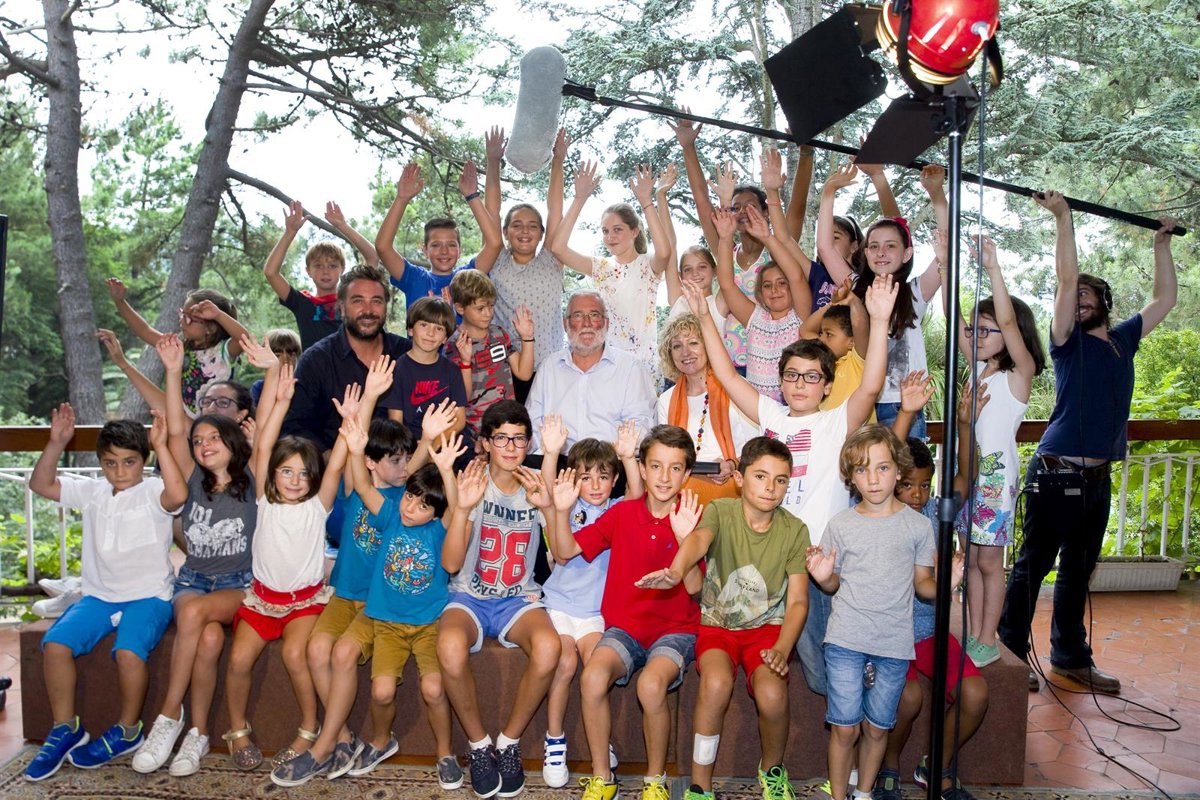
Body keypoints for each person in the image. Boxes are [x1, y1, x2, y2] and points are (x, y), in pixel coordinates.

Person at [998, 193, 1178, 694]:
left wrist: (1161, 246)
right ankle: (1009, 657)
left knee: (1078, 573)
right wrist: (1064, 218)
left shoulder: (1124, 340)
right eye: (1073, 295)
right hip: (1057, 473)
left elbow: (1164, 299)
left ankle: (1071, 658)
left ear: (1105, 302)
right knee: (1033, 568)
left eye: (1087, 295)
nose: (1077, 300)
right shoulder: (1066, 343)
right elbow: (1064, 280)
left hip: (1098, 478)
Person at [683, 274, 894, 694]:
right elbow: (727, 375)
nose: (800, 384)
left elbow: (871, 386)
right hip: (768, 561)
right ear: (780, 382)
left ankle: (857, 694)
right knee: (791, 664)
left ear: (827, 386)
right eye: (792, 375)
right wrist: (705, 316)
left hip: (816, 565)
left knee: (823, 671)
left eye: (812, 377)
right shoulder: (773, 416)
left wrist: (880, 320)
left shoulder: (836, 422)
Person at [271, 421, 464, 787]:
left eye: (422, 504)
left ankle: (441, 752)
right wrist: (356, 448)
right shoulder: (392, 511)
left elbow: (453, 510)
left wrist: (443, 467)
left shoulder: (434, 523)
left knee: (429, 687)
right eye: (410, 497)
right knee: (340, 661)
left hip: (421, 620)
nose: (411, 506)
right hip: (380, 612)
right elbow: (361, 484)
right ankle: (341, 740)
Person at [129, 335, 275, 776]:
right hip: (193, 581)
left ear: (233, 439)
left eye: (214, 437)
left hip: (239, 585)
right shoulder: (192, 478)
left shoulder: (252, 475)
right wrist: (173, 370)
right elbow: (176, 429)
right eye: (199, 440)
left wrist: (271, 370)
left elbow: (269, 425)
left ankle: (167, 716)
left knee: (194, 617)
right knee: (208, 639)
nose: (204, 444)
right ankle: (197, 734)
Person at [636, 436, 811, 800]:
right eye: (761, 476)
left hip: (767, 632)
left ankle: (772, 771)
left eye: (780, 480)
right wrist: (676, 570)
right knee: (715, 684)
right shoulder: (721, 511)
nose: (770, 487)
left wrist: (782, 648)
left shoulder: (795, 530)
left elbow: (797, 601)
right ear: (740, 478)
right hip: (718, 626)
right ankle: (701, 784)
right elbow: (698, 540)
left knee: (772, 694)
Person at [24, 408, 186, 781]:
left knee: (128, 653)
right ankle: (66, 728)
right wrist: (56, 442)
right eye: (110, 463)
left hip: (149, 596)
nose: (120, 471)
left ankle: (128, 730)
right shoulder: (93, 491)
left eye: (130, 462)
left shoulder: (152, 491)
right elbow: (41, 484)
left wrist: (161, 445)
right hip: (98, 597)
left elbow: (177, 494)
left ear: (143, 460)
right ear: (100, 462)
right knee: (55, 645)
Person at [547, 425, 704, 800]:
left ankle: (655, 780)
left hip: (675, 630)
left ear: (686, 474)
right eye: (656, 466)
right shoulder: (622, 513)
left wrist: (684, 539)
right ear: (642, 469)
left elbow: (695, 587)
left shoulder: (694, 516)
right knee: (592, 677)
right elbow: (565, 551)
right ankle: (603, 777)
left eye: (675, 468)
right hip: (625, 629)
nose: (664, 477)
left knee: (651, 685)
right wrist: (561, 510)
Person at [221, 358, 360, 770]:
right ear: (273, 475)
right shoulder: (264, 500)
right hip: (262, 601)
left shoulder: (318, 505)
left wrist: (349, 423)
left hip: (305, 602)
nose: (295, 480)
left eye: (303, 473)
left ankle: (309, 727)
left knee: (296, 655)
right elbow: (263, 447)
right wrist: (280, 401)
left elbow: (336, 465)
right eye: (286, 472)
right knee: (238, 660)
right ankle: (237, 728)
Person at [805, 425, 948, 800]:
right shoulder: (840, 524)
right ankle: (839, 796)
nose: (873, 479)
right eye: (862, 469)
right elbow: (833, 584)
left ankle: (864, 793)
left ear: (898, 470)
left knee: (877, 727)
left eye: (882, 468)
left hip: (893, 644)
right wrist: (823, 576)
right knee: (844, 727)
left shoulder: (919, 526)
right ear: (851, 477)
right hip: (845, 639)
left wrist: (948, 584)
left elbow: (923, 585)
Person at [438, 400, 561, 798]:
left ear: (529, 443)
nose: (511, 447)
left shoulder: (536, 485)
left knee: (548, 647)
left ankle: (508, 743)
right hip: (469, 596)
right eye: (501, 438)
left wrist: (550, 509)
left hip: (518, 599)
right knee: (449, 646)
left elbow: (561, 553)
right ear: (486, 443)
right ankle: (479, 746)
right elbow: (451, 563)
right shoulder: (474, 482)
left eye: (519, 438)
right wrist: (462, 508)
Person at [937, 232, 1046, 668]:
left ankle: (988, 637)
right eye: (976, 329)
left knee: (989, 561)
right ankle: (975, 633)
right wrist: (945, 267)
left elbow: (1007, 320)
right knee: (970, 558)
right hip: (969, 474)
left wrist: (993, 268)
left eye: (987, 330)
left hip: (995, 481)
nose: (977, 335)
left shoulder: (1019, 374)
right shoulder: (977, 368)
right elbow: (953, 321)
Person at [880, 387, 991, 800]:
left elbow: (966, 476)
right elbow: (883, 456)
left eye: (924, 486)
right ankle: (887, 767)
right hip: (889, 635)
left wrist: (964, 424)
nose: (917, 494)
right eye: (907, 485)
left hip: (929, 631)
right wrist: (906, 413)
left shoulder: (932, 512)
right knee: (908, 699)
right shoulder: (877, 512)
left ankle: (936, 765)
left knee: (975, 695)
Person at [536, 415, 642, 788]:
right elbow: (549, 491)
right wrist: (551, 452)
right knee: (564, 663)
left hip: (597, 614)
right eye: (585, 476)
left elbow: (638, 495)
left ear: (614, 480)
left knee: (596, 667)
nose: (594, 485)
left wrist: (628, 457)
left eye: (603, 476)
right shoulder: (567, 503)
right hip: (559, 605)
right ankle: (554, 740)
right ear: (573, 478)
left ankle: (600, 741)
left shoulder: (619, 510)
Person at [670, 120, 811, 370]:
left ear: (766, 212)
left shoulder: (778, 249)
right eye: (736, 208)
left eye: (751, 206)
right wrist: (688, 147)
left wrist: (806, 151)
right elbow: (703, 204)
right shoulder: (725, 250)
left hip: (775, 359)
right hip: (728, 362)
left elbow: (798, 207)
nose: (743, 212)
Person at [816, 164, 942, 438]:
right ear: (865, 252)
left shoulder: (915, 293)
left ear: (906, 254)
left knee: (904, 464)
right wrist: (829, 192)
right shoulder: (855, 288)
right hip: (861, 400)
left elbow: (946, 250)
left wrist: (937, 196)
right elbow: (825, 248)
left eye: (891, 246)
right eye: (873, 246)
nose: (881, 252)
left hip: (903, 402)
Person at [549, 158, 673, 386]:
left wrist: (647, 202)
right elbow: (558, 248)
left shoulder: (648, 265)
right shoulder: (600, 268)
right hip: (606, 368)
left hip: (644, 369)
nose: (610, 237)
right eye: (605, 231)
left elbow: (665, 251)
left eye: (617, 230)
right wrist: (579, 198)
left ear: (634, 231)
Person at [280, 264, 411, 452]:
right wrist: (325, 456)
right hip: (335, 465)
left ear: (385, 308)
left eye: (376, 301)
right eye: (358, 301)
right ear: (341, 307)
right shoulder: (316, 360)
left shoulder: (406, 353)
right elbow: (294, 427)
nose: (368, 310)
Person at [525, 291, 657, 450]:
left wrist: (611, 454)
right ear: (565, 324)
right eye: (578, 316)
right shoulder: (549, 367)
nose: (586, 323)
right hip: (556, 461)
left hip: (612, 460)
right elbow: (532, 426)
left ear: (606, 323)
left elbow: (642, 426)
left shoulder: (631, 368)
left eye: (594, 315)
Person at [481, 126, 566, 371]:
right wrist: (493, 161)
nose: (525, 231)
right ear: (505, 231)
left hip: (550, 369)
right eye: (517, 225)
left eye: (532, 226)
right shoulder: (497, 259)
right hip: (506, 370)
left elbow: (555, 211)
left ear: (541, 234)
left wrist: (558, 160)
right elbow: (491, 212)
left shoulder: (551, 258)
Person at [106, 279, 250, 418]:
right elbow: (145, 331)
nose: (181, 321)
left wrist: (218, 315)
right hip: (181, 423)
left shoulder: (224, 351)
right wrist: (120, 302)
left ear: (210, 328)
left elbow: (244, 339)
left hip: (215, 426)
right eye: (182, 314)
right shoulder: (180, 348)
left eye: (189, 318)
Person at [712, 203, 812, 402]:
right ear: (760, 292)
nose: (774, 290)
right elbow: (727, 285)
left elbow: (797, 276)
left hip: (790, 408)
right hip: (757, 411)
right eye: (767, 285)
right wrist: (725, 238)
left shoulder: (800, 316)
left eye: (782, 283)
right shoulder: (755, 318)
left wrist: (767, 237)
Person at [375, 159, 503, 311]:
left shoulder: (468, 278)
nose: (444, 251)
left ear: (460, 250)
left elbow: (494, 244)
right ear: (425, 250)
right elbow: (383, 247)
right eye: (436, 245)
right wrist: (401, 199)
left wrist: (472, 196)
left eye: (451, 245)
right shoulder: (415, 278)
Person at [656, 313, 757, 504]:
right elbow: (665, 455)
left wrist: (731, 464)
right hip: (680, 486)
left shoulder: (736, 389)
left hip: (728, 485)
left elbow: (756, 448)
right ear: (670, 355)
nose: (685, 352)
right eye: (677, 346)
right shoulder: (665, 400)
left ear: (709, 346)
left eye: (693, 343)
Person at [261, 200, 379, 350]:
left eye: (332, 265)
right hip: (314, 365)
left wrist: (342, 226)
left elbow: (372, 257)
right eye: (318, 265)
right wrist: (290, 232)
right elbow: (271, 272)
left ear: (342, 268)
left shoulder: (351, 298)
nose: (325, 271)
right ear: (308, 271)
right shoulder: (302, 302)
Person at [446, 269, 535, 437]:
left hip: (508, 427)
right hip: (476, 433)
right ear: (460, 308)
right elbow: (463, 397)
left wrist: (527, 337)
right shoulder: (454, 345)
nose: (488, 313)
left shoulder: (499, 333)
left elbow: (524, 374)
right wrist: (465, 362)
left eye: (491, 306)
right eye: (480, 308)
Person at [383, 297, 469, 449]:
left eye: (439, 328)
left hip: (446, 442)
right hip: (411, 444)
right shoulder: (396, 369)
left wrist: (433, 446)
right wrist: (417, 451)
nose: (431, 333)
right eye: (424, 325)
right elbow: (396, 422)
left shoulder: (452, 370)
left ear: (445, 338)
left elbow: (460, 420)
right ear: (410, 329)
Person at [799, 278, 873, 417]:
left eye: (829, 334)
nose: (821, 339)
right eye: (821, 333)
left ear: (852, 342)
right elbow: (805, 330)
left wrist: (853, 300)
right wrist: (832, 304)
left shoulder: (856, 363)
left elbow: (860, 324)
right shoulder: (823, 362)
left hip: (856, 431)